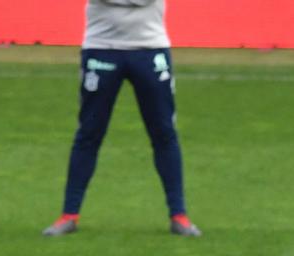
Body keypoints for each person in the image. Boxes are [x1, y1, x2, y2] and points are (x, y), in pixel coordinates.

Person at [43, 0, 200, 238]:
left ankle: (179, 216)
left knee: (164, 133)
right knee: (89, 133)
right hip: (101, 46)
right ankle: (69, 215)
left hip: (150, 48)